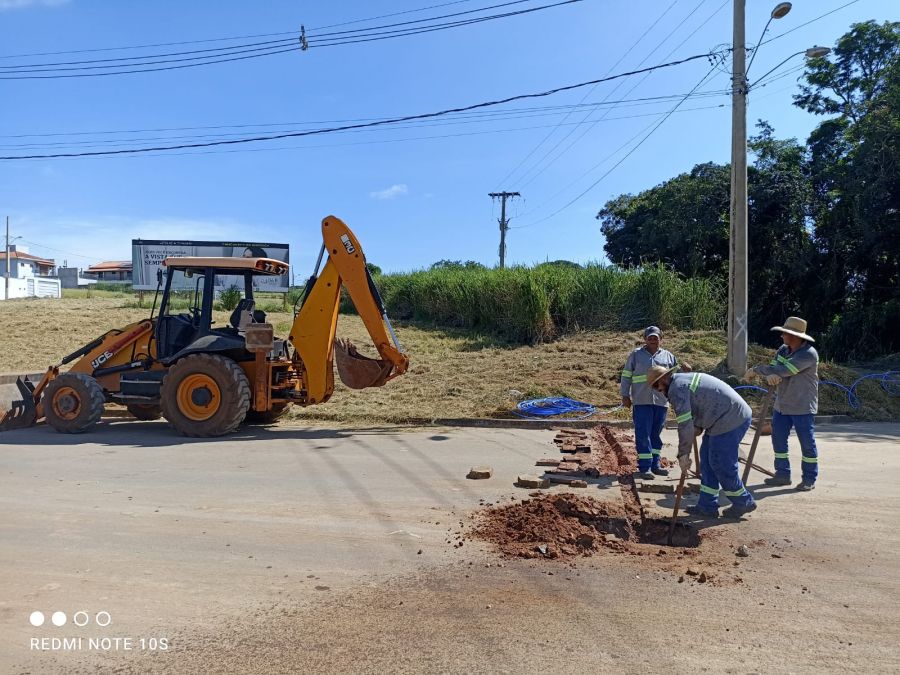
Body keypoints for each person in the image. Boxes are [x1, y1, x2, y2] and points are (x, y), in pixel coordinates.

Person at [646, 365, 757, 519]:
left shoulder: (676, 389)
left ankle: (743, 501)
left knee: (720, 463)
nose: (657, 390)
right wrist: (697, 425)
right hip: (721, 417)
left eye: (656, 385)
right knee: (706, 461)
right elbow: (700, 402)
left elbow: (684, 425)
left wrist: (683, 454)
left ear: (664, 378)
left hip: (730, 418)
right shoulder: (682, 380)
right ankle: (707, 506)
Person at [743, 316, 819, 492]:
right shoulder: (783, 350)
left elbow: (783, 370)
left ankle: (809, 478)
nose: (782, 336)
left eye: (785, 333)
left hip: (802, 406)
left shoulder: (808, 354)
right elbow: (774, 367)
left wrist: (757, 370)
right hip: (782, 404)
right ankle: (782, 474)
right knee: (778, 440)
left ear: (795, 336)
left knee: (807, 443)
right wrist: (769, 374)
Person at [620, 326, 686, 480]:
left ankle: (655, 465)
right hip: (641, 401)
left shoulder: (669, 357)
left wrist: (685, 371)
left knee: (656, 435)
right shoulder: (636, 355)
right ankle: (645, 467)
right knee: (643, 434)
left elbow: (675, 379)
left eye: (655, 337)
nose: (652, 340)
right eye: (650, 337)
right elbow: (626, 375)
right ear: (645, 339)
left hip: (661, 402)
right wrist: (625, 395)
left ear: (660, 339)